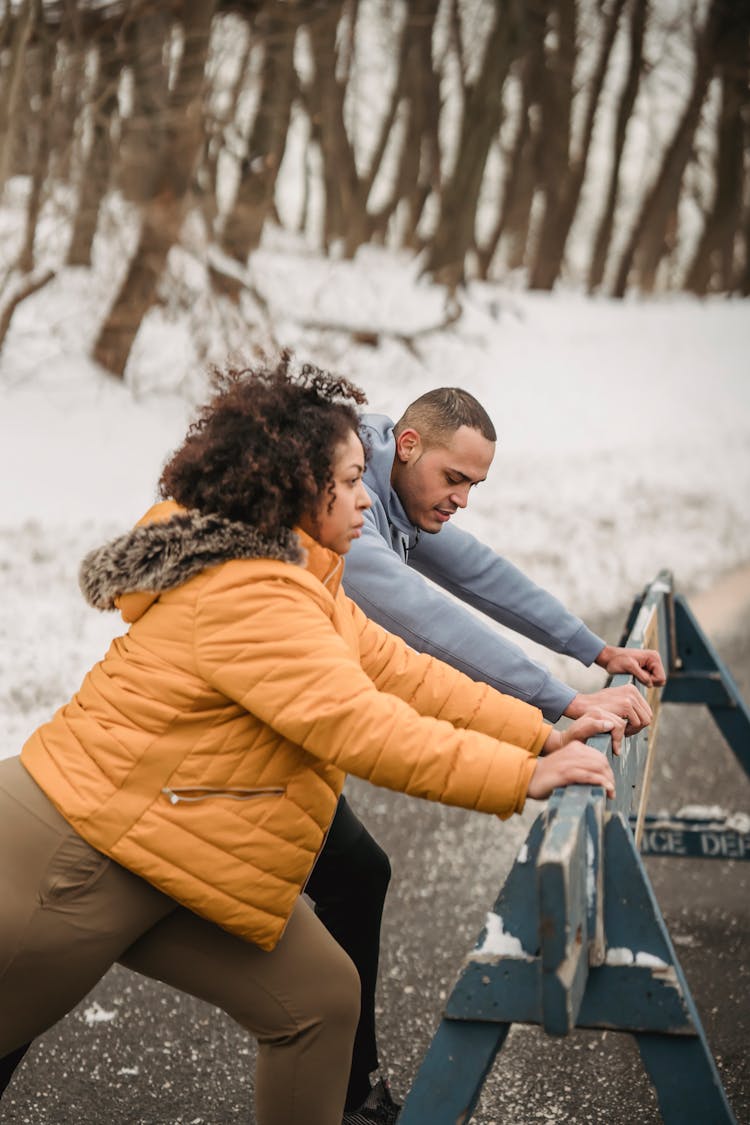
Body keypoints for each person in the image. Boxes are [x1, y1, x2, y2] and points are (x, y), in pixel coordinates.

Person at [0, 358, 619, 1125]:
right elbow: (359, 722)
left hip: (167, 844)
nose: (368, 499)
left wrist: (545, 733)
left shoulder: (303, 573)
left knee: (321, 998)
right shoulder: (249, 589)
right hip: (68, 855)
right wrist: (522, 775)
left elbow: (402, 673)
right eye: (353, 481)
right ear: (299, 485)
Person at [345, 387, 666, 726]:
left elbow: (478, 570)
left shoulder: (397, 486)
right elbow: (425, 616)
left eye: (473, 485)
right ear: (408, 445)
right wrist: (569, 701)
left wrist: (598, 651)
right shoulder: (343, 502)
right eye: (454, 478)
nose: (463, 500)